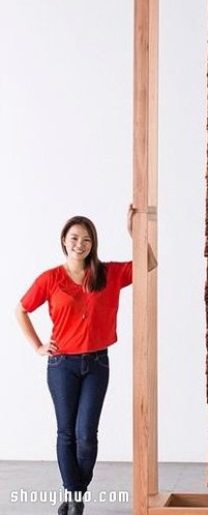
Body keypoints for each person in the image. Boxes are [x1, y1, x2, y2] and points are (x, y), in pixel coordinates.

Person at [15, 207, 156, 515]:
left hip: (97, 365)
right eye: (75, 237)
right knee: (66, 432)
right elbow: (21, 309)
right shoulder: (50, 279)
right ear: (64, 241)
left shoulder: (108, 274)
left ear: (93, 244)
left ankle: (74, 492)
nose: (80, 244)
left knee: (86, 435)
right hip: (61, 365)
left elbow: (149, 264)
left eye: (87, 239)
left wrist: (135, 234)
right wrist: (38, 346)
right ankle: (75, 498)